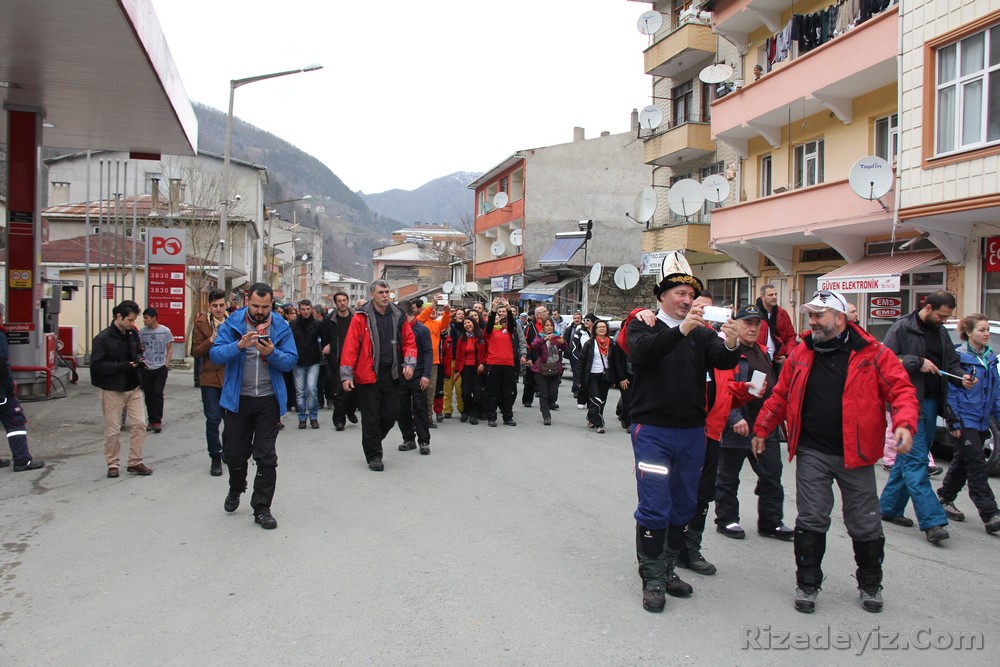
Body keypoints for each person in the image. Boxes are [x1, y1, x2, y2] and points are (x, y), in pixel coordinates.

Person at [752, 289, 918, 614]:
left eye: (819, 315)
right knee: (811, 518)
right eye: (811, 315)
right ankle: (807, 584)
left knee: (865, 522)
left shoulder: (874, 354)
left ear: (840, 319)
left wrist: (905, 424)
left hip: (856, 454)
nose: (812, 321)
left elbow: (902, 391)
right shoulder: (801, 353)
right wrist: (762, 429)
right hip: (812, 450)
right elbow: (781, 394)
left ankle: (870, 584)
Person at [626, 273, 741, 613]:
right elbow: (643, 353)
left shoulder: (702, 334)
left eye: (691, 294)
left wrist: (732, 343)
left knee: (684, 503)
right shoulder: (644, 325)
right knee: (654, 503)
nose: (687, 300)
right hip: (653, 430)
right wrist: (682, 330)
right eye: (680, 293)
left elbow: (723, 360)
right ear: (662, 296)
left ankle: (668, 567)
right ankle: (652, 578)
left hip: (692, 432)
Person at [879, 290, 974, 544]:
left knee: (909, 459)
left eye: (947, 317)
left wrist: (962, 376)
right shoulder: (902, 327)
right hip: (906, 404)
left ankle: (889, 507)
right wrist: (916, 361)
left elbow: (951, 363)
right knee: (916, 462)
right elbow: (885, 361)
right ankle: (932, 521)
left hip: (932, 404)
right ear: (928, 307)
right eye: (942, 316)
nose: (944, 321)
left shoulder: (940, 332)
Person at [676, 294, 754, 576]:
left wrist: (745, 391)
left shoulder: (718, 344)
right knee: (679, 491)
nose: (703, 311)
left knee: (703, 493)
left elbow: (725, 388)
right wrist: (640, 312)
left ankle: (690, 549)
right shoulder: (678, 336)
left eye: (708, 307)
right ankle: (671, 549)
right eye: (697, 305)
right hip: (684, 430)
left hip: (712, 432)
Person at [211, 283, 297, 530]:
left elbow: (290, 361)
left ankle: (262, 508)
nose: (259, 311)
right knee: (235, 454)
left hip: (268, 400)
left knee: (266, 456)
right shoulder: (233, 324)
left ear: (272, 305)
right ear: (248, 301)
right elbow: (216, 355)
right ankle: (236, 487)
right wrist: (239, 346)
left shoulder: (281, 327)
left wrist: (272, 353)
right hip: (238, 399)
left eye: (265, 307)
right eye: (255, 306)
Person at [714, 304, 792, 541]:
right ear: (736, 324)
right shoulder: (727, 351)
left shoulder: (762, 351)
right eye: (748, 323)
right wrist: (734, 417)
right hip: (737, 425)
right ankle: (727, 520)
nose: (753, 328)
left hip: (764, 426)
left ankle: (771, 522)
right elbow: (723, 387)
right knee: (729, 476)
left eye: (757, 324)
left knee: (771, 473)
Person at [340, 280, 416, 471]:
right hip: (368, 375)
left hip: (392, 374)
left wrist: (409, 363)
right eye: (381, 292)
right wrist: (346, 375)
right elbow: (351, 346)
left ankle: (372, 441)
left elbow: (409, 341)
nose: (385, 295)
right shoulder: (361, 317)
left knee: (390, 415)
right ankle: (374, 456)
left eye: (387, 292)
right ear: (372, 295)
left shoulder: (398, 315)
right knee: (371, 417)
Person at [938, 314, 1000, 533]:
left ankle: (945, 497)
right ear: (968, 332)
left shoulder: (990, 358)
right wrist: (953, 421)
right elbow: (951, 394)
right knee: (976, 465)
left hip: (982, 420)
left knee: (963, 462)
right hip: (965, 420)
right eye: (982, 330)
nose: (986, 334)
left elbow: (995, 392)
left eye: (987, 329)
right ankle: (990, 513)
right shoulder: (959, 359)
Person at [91, 300, 152, 478]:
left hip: (133, 386)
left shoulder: (132, 334)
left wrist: (139, 359)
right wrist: (124, 365)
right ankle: (113, 464)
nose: (132, 323)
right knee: (113, 429)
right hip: (112, 388)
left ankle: (135, 461)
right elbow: (97, 366)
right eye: (130, 320)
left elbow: (138, 351)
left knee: (140, 424)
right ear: (119, 316)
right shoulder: (102, 338)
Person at [191, 288, 228, 476]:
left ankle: (227, 450)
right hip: (209, 377)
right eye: (215, 306)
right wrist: (210, 340)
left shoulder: (233, 322)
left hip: (229, 377)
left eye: (221, 305)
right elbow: (195, 351)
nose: (218, 309)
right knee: (213, 419)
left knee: (231, 420)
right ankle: (215, 456)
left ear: (226, 305)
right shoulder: (201, 323)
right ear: (209, 306)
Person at [0, 319, 45, 472]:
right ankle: (22, 460)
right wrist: (9, 386)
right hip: (2, 392)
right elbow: (2, 362)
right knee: (15, 423)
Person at [397, 299, 433, 455]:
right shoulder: (397, 330)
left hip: (418, 375)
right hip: (401, 376)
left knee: (420, 409)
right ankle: (408, 438)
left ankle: (424, 441)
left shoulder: (421, 329)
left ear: (406, 314)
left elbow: (428, 352)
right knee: (402, 409)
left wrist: (426, 375)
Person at [483, 298, 525, 428]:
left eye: (498, 316)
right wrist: (493, 309)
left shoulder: (508, 330)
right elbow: (489, 325)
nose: (497, 318)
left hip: (508, 364)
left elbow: (512, 323)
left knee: (508, 392)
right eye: (495, 316)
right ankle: (492, 417)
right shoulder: (489, 332)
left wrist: (508, 309)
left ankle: (508, 417)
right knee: (493, 392)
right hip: (494, 364)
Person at [323, 291, 359, 431]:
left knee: (354, 391)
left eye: (344, 300)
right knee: (339, 391)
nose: (342, 303)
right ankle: (339, 420)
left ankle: (350, 411)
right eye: (339, 301)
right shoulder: (330, 319)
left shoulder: (356, 317)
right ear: (335, 303)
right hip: (337, 359)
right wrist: (328, 345)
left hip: (354, 360)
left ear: (348, 301)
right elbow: (325, 337)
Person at [289, 299, 325, 430]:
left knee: (311, 389)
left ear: (311, 309)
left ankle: (313, 416)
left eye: (308, 309)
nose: (305, 312)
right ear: (299, 310)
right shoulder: (293, 324)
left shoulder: (318, 324)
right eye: (303, 309)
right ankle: (302, 418)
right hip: (298, 361)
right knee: (300, 391)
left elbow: (325, 338)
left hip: (313, 360)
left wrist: (325, 348)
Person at [137, 307, 173, 433]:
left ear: (154, 318)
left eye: (146, 318)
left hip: (160, 367)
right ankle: (151, 420)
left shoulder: (165, 331)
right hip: (147, 368)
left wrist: (166, 364)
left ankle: (157, 421)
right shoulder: (141, 332)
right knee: (148, 395)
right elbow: (139, 348)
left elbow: (169, 348)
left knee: (157, 393)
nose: (144, 320)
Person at [417, 295, 450, 424]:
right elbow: (422, 317)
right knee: (419, 391)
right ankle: (417, 415)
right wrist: (433, 304)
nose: (433, 311)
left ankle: (428, 416)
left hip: (434, 362)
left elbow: (445, 324)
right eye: (431, 309)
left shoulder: (436, 323)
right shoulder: (420, 322)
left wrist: (447, 312)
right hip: (420, 362)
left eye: (435, 309)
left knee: (431, 391)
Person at [530, 318, 566, 425]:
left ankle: (550, 404)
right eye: (547, 325)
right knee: (544, 394)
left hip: (554, 368)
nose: (549, 327)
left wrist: (563, 342)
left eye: (551, 325)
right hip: (542, 369)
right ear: (543, 327)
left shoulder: (557, 336)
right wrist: (544, 339)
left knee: (553, 394)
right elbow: (534, 345)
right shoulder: (540, 336)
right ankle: (546, 415)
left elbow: (565, 348)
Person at [581, 319, 614, 434]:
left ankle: (592, 417)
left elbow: (615, 361)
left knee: (602, 400)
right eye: (599, 327)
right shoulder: (590, 343)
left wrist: (615, 378)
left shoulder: (612, 343)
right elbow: (582, 361)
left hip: (605, 375)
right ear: (595, 329)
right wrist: (579, 378)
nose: (601, 329)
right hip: (592, 375)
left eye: (603, 327)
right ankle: (599, 424)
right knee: (596, 400)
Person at [452, 314, 487, 424]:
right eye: (465, 323)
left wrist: (483, 364)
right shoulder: (462, 338)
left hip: (478, 369)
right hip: (466, 368)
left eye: (469, 322)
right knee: (465, 392)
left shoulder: (482, 336)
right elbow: (458, 355)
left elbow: (487, 352)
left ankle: (474, 414)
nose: (467, 325)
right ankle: (466, 411)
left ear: (474, 323)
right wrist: (457, 370)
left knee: (477, 393)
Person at [755, 284, 797, 374]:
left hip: (776, 363)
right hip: (758, 361)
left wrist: (787, 355)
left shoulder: (782, 314)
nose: (774, 297)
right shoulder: (754, 314)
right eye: (770, 295)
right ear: (762, 297)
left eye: (775, 294)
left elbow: (790, 337)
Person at [522, 305, 551, 408]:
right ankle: (527, 399)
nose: (547, 313)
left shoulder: (549, 325)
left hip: (547, 357)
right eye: (545, 311)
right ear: (538, 315)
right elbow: (526, 343)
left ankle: (550, 401)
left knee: (548, 380)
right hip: (534, 357)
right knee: (530, 380)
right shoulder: (530, 326)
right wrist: (528, 357)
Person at [441, 307, 465, 419]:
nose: (461, 316)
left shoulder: (467, 328)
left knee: (460, 388)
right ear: (455, 316)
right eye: (458, 314)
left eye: (462, 314)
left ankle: (462, 409)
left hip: (460, 361)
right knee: (447, 388)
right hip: (449, 360)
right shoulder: (450, 327)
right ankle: (447, 410)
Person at [571, 314, 595, 409]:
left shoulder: (596, 333)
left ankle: (591, 401)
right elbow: (574, 347)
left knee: (592, 382)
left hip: (594, 362)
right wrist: (580, 359)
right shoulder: (579, 332)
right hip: (582, 361)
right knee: (583, 381)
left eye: (588, 320)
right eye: (584, 320)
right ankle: (581, 399)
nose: (585, 322)